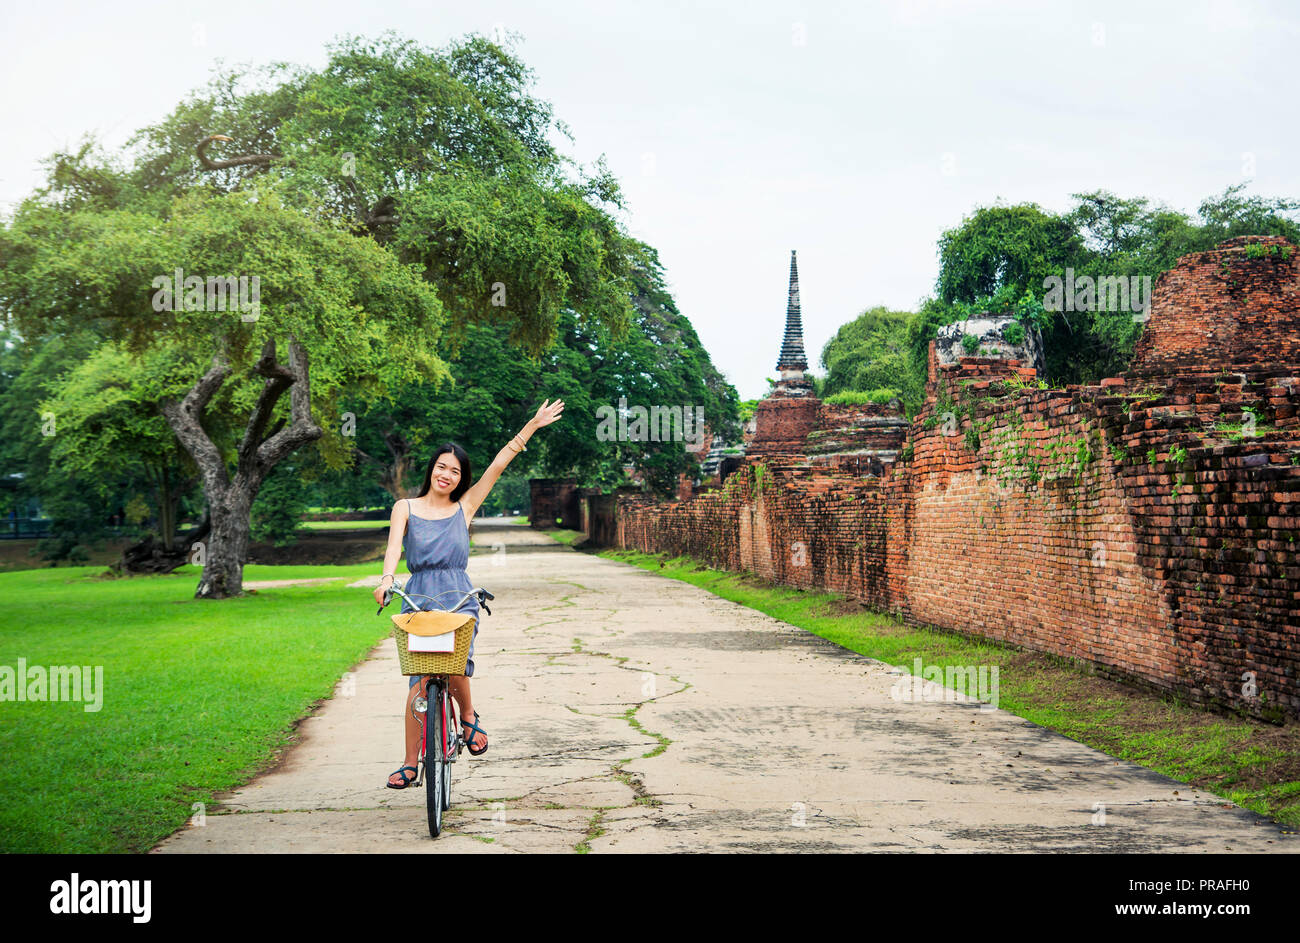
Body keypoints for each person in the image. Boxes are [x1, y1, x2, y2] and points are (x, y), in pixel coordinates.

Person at [374, 399, 565, 789]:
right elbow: (393, 548)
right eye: (441, 467)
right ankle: (410, 763)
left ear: (461, 479)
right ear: (432, 470)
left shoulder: (465, 507)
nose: (446, 474)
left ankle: (469, 717)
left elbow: (499, 464)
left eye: (455, 471)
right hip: (418, 598)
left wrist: (531, 425)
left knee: (455, 663)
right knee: (417, 685)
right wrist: (386, 578)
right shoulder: (404, 507)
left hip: (458, 597)